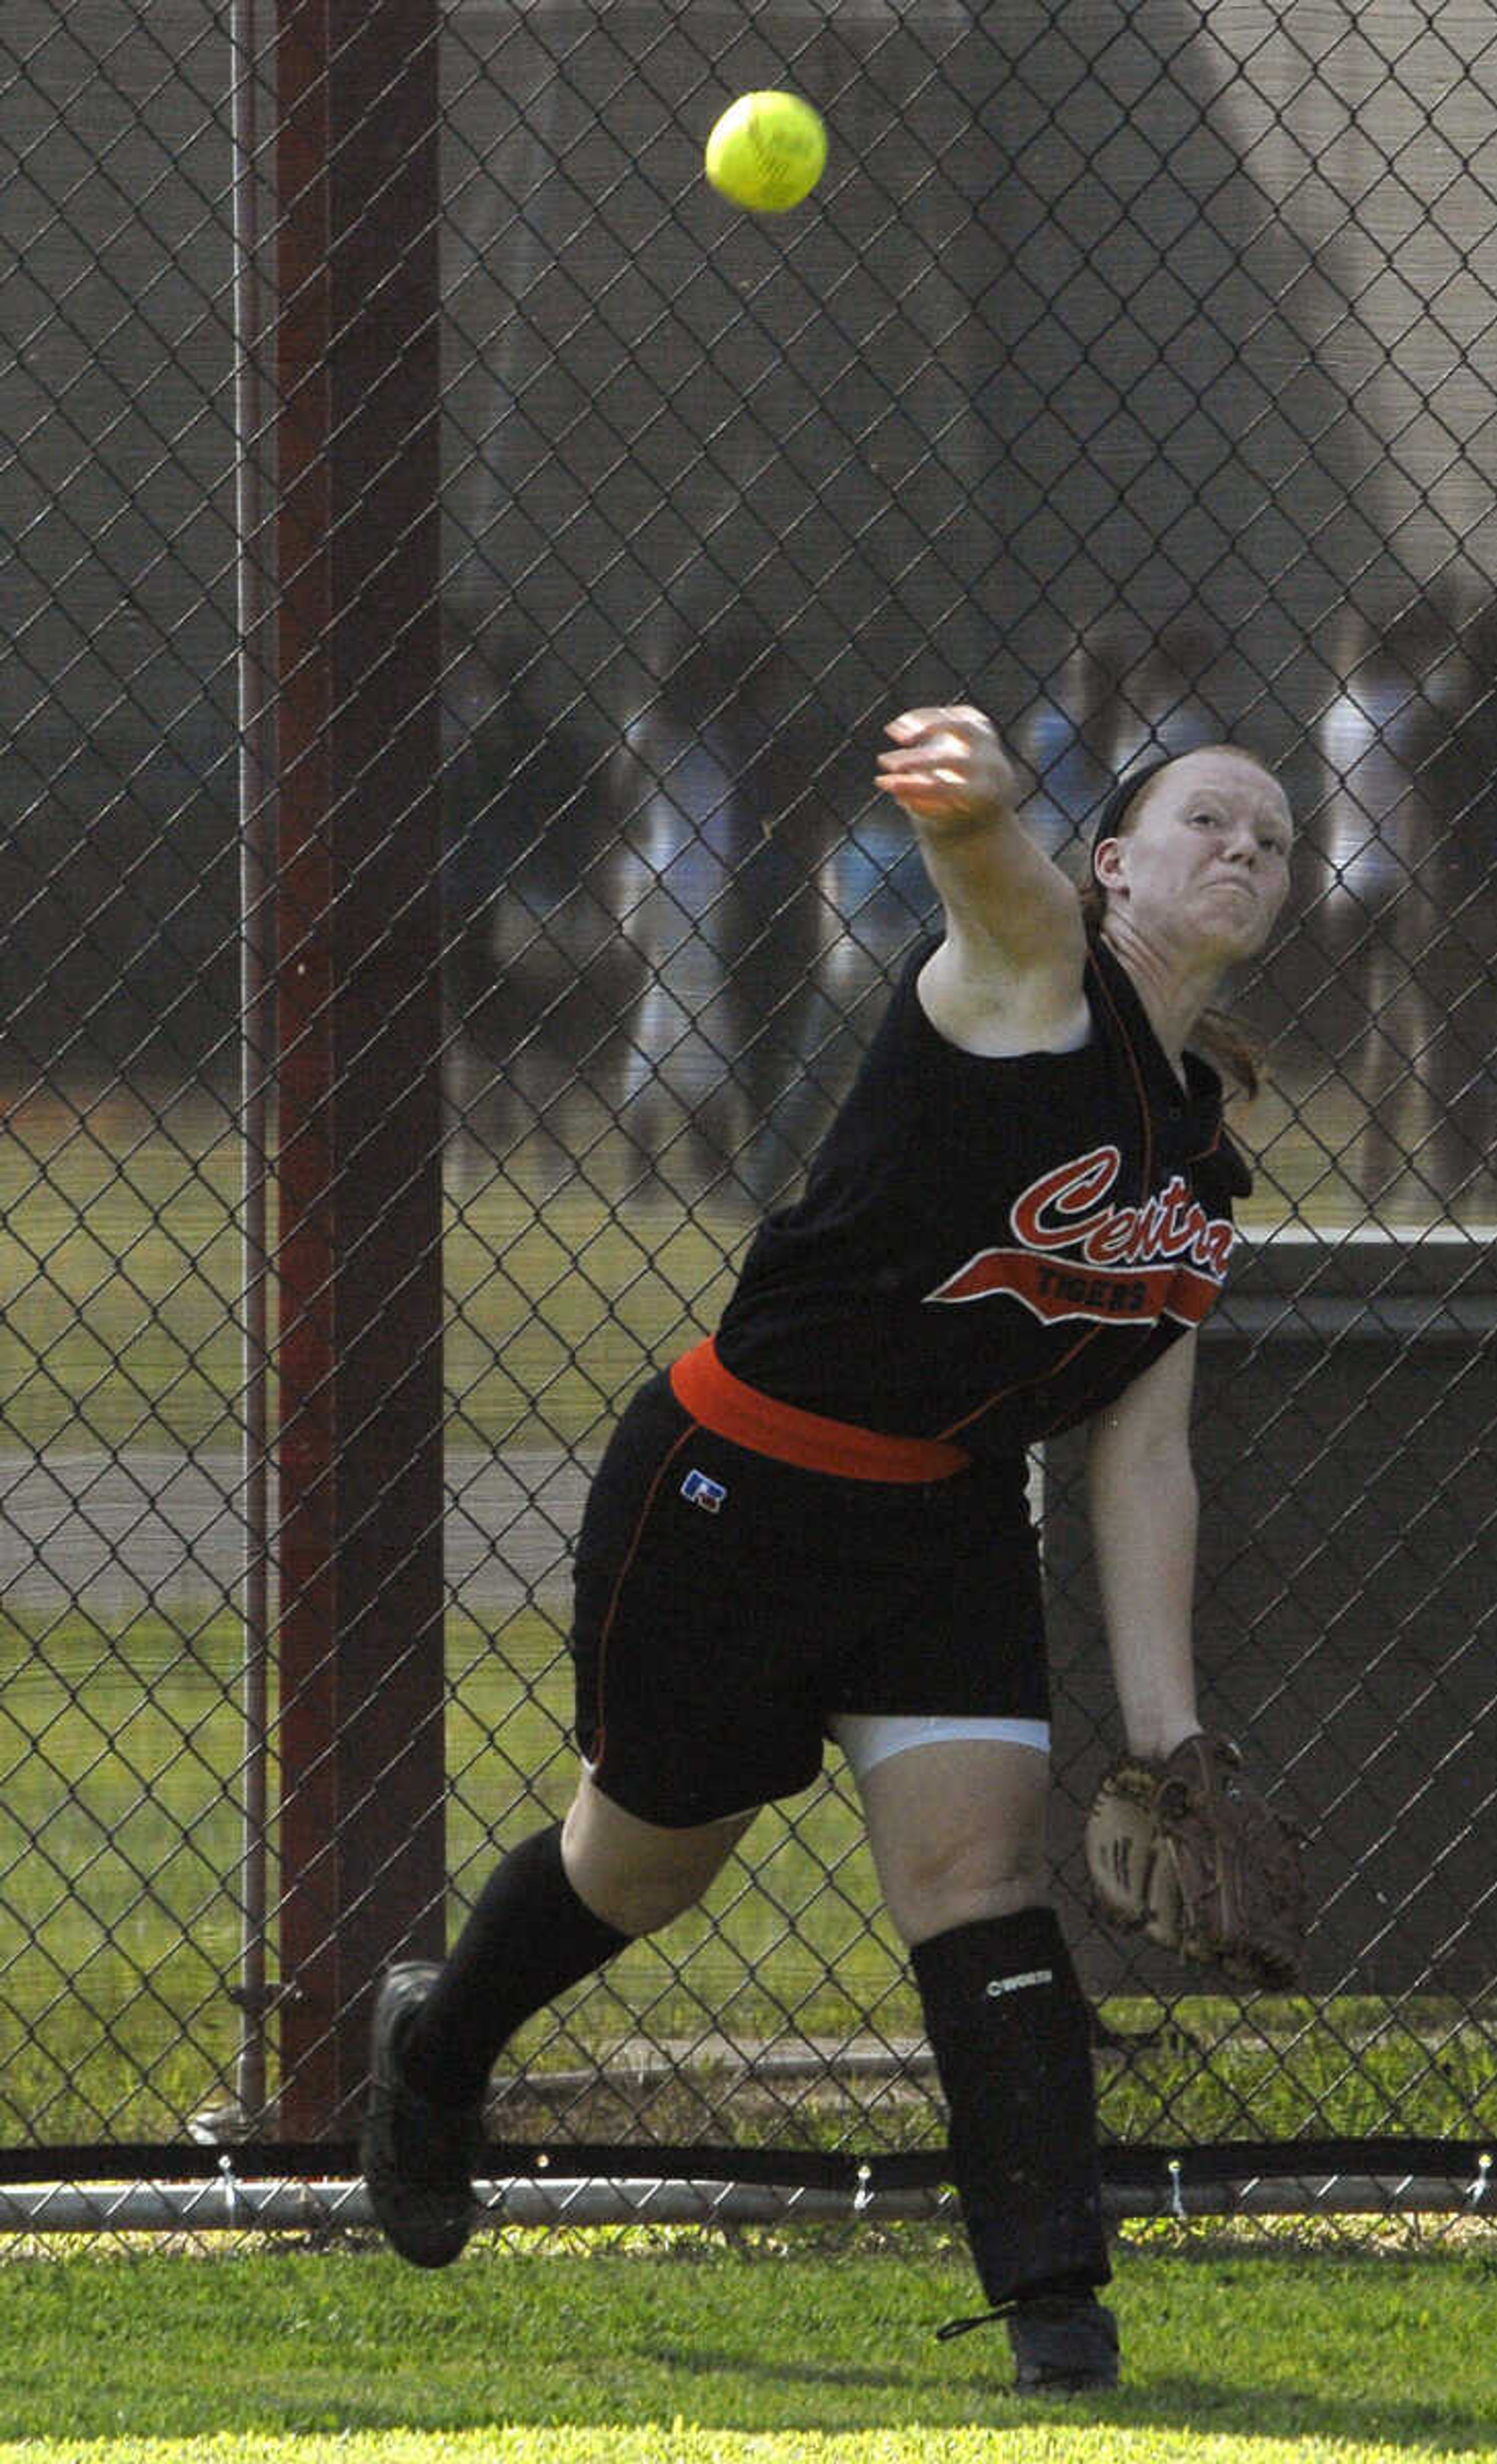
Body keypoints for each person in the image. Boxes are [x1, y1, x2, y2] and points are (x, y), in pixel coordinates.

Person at [362, 704, 1295, 2393]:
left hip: (942, 1518)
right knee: (645, 1866)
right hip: (740, 1487)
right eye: (1207, 820)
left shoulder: (1202, 1171)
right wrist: (978, 805)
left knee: (983, 1880)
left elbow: (1143, 1460)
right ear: (1111, 863)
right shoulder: (1029, 986)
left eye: (1273, 840)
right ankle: (436, 2052)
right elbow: (995, 886)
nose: (1244, 846)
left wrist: (1170, 1735)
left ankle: (1055, 2301)